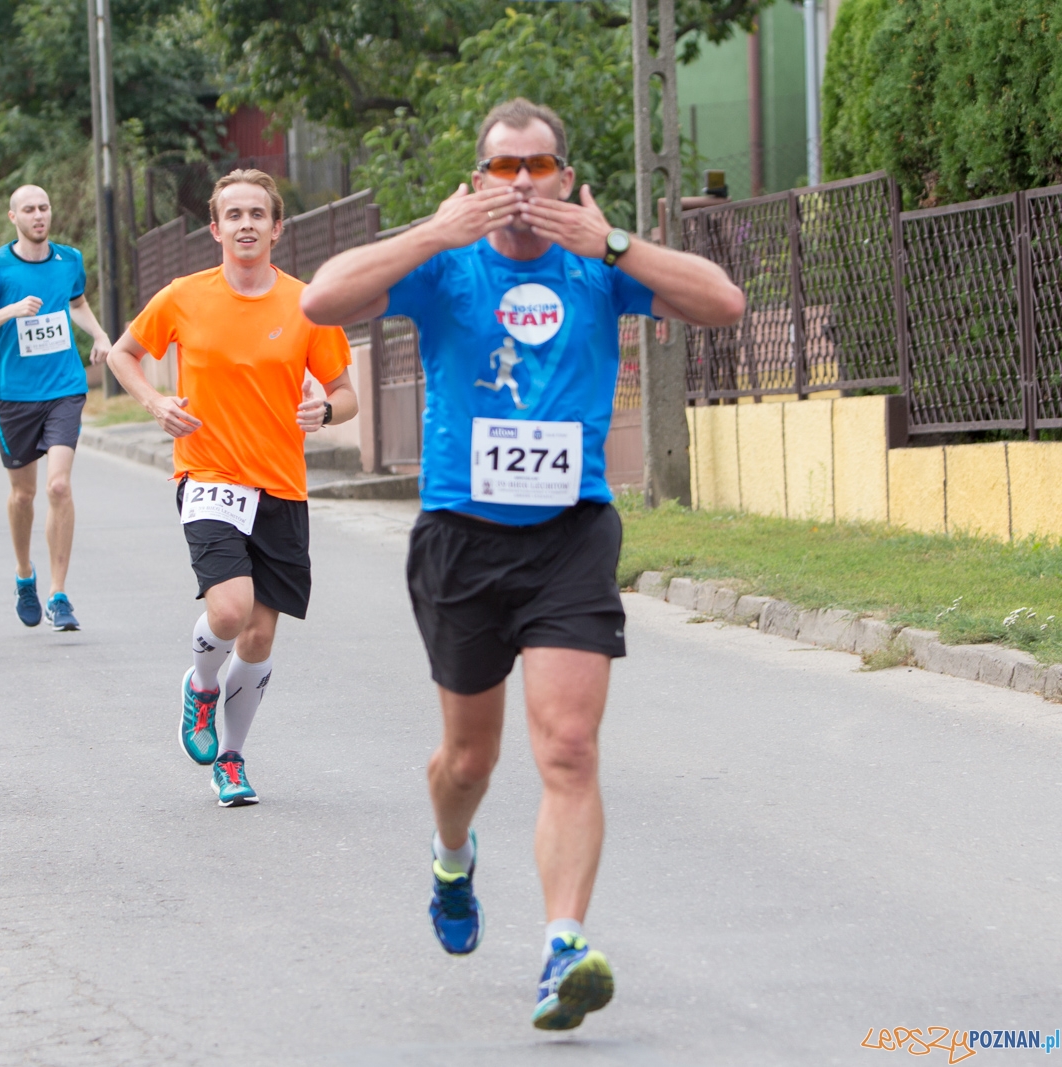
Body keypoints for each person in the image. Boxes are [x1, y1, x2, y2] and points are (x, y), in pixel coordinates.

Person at [300, 98, 745, 1028]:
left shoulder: (595, 265)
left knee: (569, 747)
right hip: (461, 538)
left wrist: (613, 239)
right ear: (478, 183)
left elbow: (723, 302)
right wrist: (433, 230)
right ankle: (452, 858)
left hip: (571, 535)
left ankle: (561, 948)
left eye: (537, 166)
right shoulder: (446, 267)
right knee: (469, 757)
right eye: (502, 169)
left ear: (565, 178)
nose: (521, 185)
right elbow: (321, 300)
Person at [106, 169, 358, 807]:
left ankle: (233, 758)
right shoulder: (185, 295)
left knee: (260, 635)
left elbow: (345, 394)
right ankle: (200, 685)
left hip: (281, 487)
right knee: (227, 610)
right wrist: (154, 402)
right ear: (215, 229)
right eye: (234, 215)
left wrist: (326, 412)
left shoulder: (307, 305)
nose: (246, 225)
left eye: (258, 215)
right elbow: (122, 355)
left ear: (278, 228)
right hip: (209, 475)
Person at [0, 185, 112, 632]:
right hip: (14, 397)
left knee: (58, 487)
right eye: (29, 209)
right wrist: (10, 312)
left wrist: (99, 336)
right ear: (13, 217)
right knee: (23, 495)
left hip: (64, 387)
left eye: (44, 207)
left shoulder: (69, 260)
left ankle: (59, 594)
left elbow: (77, 302)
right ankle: (25, 574)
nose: (39, 215)